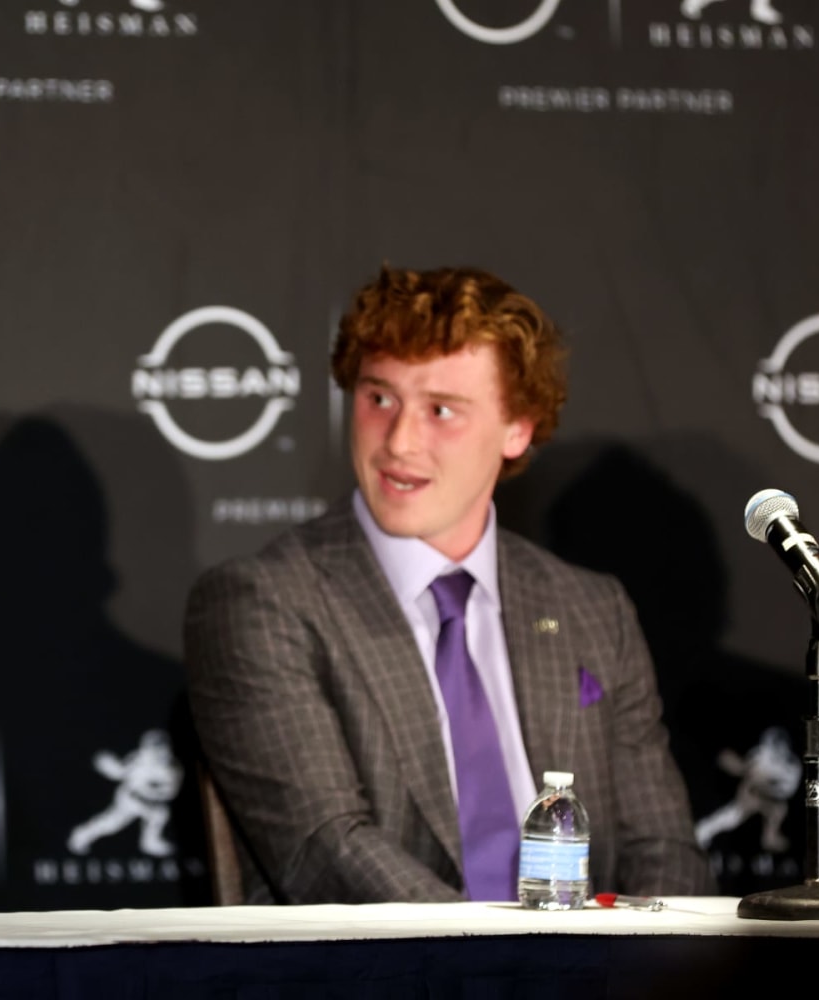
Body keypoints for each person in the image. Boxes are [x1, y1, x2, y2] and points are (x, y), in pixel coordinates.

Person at [184, 265, 713, 904]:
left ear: (518, 428)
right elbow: (329, 852)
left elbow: (661, 849)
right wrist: (517, 973)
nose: (399, 442)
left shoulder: (589, 608)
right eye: (379, 398)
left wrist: (642, 980)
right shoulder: (261, 602)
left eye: (441, 410)